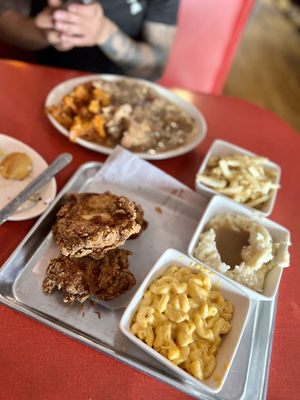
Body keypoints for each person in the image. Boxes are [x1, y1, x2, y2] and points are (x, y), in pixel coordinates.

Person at [0, 0, 179, 80]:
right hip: (45, 78)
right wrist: (44, 32)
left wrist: (103, 32)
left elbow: (156, 67)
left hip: (121, 89)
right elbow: (4, 21)